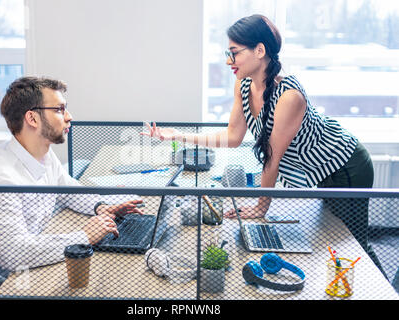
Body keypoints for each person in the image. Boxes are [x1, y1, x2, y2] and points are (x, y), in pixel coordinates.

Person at [141, 14, 374, 252]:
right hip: (319, 168)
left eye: (235, 52)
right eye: (227, 53)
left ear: (260, 50)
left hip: (345, 164)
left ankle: (383, 288)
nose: (228, 61)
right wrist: (178, 136)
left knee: (353, 244)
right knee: (335, 237)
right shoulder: (243, 85)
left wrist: (260, 209)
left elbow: (272, 158)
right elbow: (232, 138)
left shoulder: (289, 96)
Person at [0, 76, 143, 272]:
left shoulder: (43, 153)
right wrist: (84, 236)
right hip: (3, 280)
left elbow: (67, 190)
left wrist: (103, 206)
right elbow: (12, 255)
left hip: (37, 252)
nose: (69, 116)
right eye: (59, 109)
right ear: (32, 118)